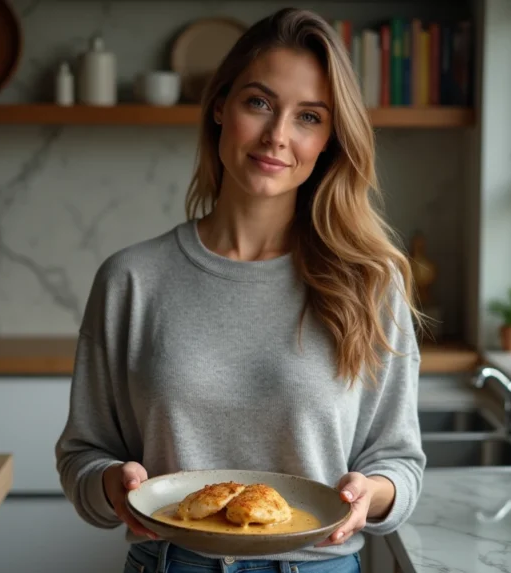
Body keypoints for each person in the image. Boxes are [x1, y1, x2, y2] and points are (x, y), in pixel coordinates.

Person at [55, 7, 426, 573]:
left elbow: (399, 461)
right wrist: (111, 482)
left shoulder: (370, 283)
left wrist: (368, 495)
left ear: (329, 139)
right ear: (220, 107)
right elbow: (84, 453)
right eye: (259, 103)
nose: (278, 135)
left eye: (308, 117)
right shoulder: (131, 280)